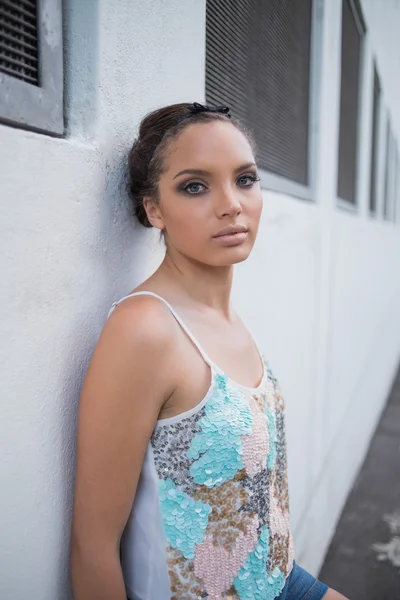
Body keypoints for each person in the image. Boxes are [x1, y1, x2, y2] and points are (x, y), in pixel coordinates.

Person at [70, 102, 348, 600]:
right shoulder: (144, 331)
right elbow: (93, 548)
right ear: (154, 208)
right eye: (195, 186)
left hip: (279, 579)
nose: (231, 204)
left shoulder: (226, 316)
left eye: (245, 179)